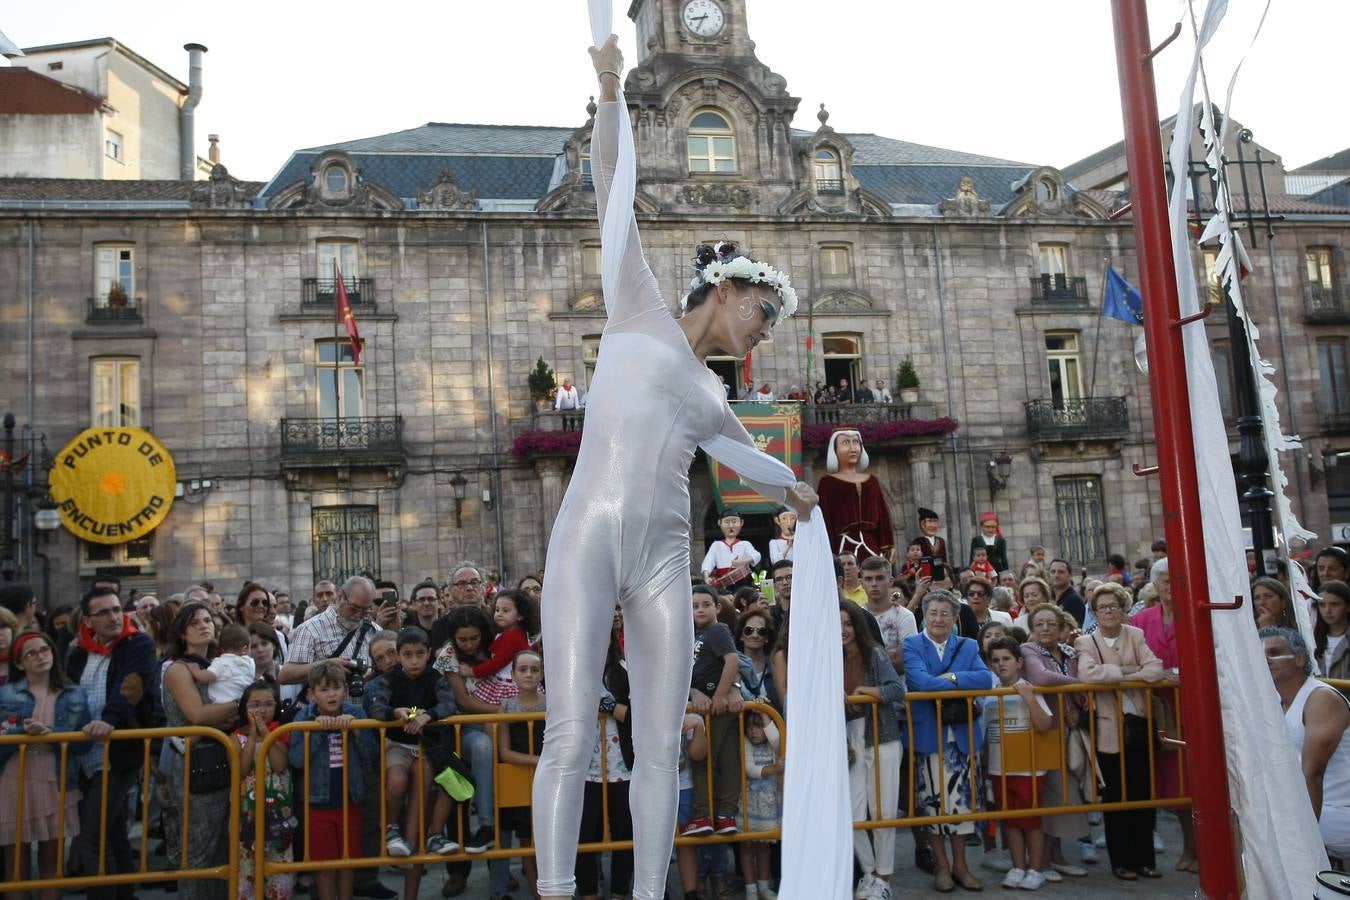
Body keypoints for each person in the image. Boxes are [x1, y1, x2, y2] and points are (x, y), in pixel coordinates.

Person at [533, 33, 817, 900]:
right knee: (572, 735)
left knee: (660, 746)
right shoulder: (637, 308)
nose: (764, 330)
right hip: (587, 539)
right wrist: (611, 86)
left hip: (662, 561)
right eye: (763, 313)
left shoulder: (708, 391)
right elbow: (612, 186)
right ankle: (554, 892)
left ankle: (651, 894)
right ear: (726, 290)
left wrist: (796, 490)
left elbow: (739, 449)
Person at [66, 585, 159, 900]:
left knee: (93, 837)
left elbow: (131, 685)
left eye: (117, 609)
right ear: (88, 620)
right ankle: (124, 895)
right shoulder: (78, 650)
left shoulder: (139, 644)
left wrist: (110, 718)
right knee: (115, 831)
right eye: (104, 612)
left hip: (118, 750)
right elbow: (66, 691)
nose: (114, 617)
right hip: (82, 753)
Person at [903, 590, 996, 893]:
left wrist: (952, 679)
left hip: (964, 736)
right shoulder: (912, 645)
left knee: (964, 807)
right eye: (933, 613)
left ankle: (961, 865)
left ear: (955, 617)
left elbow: (984, 679)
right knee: (933, 805)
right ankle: (941, 866)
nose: (938, 619)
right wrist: (955, 678)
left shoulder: (968, 645)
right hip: (929, 736)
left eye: (945, 614)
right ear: (924, 616)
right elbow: (920, 682)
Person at [1075, 583, 1166, 881]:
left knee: (1142, 793)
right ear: (1095, 613)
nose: (1109, 612)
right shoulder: (1086, 642)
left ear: (1124, 609)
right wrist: (1128, 672)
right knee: (1115, 797)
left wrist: (1115, 675)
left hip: (1138, 725)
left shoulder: (1136, 635)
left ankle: (1145, 860)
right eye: (1102, 607)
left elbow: (1155, 669)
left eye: (1114, 606)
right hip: (1108, 729)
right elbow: (1087, 674)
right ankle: (1121, 861)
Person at [158, 601, 241, 900]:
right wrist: (242, 706)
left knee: (221, 848)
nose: (205, 625)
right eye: (195, 622)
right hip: (194, 763)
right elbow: (197, 715)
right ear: (181, 632)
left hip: (221, 757)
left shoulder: (217, 664)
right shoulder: (177, 669)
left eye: (208, 620)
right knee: (200, 849)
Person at [0, 631, 91, 900]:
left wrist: (48, 733)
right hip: (12, 779)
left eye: (45, 650)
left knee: (52, 866)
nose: (40, 657)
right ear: (19, 663)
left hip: (57, 779)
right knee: (16, 867)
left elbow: (82, 745)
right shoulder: (5, 693)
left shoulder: (74, 693)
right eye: (32, 653)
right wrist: (23, 735)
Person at [366, 626, 459, 859]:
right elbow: (376, 708)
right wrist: (395, 712)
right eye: (407, 655)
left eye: (419, 654)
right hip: (398, 745)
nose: (414, 660)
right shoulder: (389, 680)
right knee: (396, 781)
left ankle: (433, 835)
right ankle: (391, 828)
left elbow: (449, 704)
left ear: (428, 653)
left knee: (448, 783)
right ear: (398, 656)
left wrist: (428, 716)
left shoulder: (435, 678)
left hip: (427, 747)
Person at [1260, 626, 1350, 865]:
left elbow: (1312, 773)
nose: (1266, 660)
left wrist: (1302, 838)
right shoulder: (1276, 701)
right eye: (1260, 654)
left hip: (1336, 812)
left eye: (1274, 652)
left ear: (1300, 659)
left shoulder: (1321, 698)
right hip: (1310, 806)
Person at [289, 660, 377, 900]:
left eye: (336, 688)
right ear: (312, 694)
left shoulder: (356, 714)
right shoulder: (302, 717)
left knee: (347, 863)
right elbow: (296, 760)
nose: (331, 694)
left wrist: (357, 730)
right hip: (317, 804)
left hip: (351, 798)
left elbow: (371, 755)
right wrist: (316, 732)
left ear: (345, 690)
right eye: (324, 689)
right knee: (324, 865)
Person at [1019, 603, 1093, 878]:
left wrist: (1075, 699)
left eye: (1051, 623)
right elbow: (1040, 677)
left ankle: (1056, 854)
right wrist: (1076, 684)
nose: (1045, 629)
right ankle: (1046, 860)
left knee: (1064, 793)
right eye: (1039, 624)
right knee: (1052, 793)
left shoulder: (1068, 652)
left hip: (1068, 730)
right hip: (1043, 730)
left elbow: (1075, 685)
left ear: (1061, 627)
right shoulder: (1028, 650)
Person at [1132, 558, 1196, 871]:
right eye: (1166, 581)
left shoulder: (1197, 614)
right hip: (1157, 712)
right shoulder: (1142, 619)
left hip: (1195, 711)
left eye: (1177, 580)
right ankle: (1184, 848)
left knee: (1196, 784)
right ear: (1155, 586)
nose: (1171, 588)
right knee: (1170, 786)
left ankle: (1199, 849)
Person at [981, 637, 1057, 891]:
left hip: (1028, 767)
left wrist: (1029, 698)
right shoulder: (990, 694)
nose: (1001, 664)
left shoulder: (1029, 688)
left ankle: (1035, 869)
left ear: (1019, 662)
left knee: (1031, 820)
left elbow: (1045, 724)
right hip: (998, 766)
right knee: (1010, 820)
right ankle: (1017, 866)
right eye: (996, 660)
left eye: (1006, 659)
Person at [842, 601, 905, 900]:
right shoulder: (831, 657)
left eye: (848, 623)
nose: (843, 630)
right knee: (852, 813)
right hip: (850, 738)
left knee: (883, 810)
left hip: (882, 735)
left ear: (857, 625)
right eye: (838, 624)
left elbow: (896, 689)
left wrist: (864, 692)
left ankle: (883, 876)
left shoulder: (875, 654)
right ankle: (868, 873)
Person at [683, 586, 745, 837]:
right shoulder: (698, 634)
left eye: (705, 604)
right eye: (695, 605)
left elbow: (732, 661)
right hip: (708, 701)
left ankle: (703, 813)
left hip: (714, 705)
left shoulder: (718, 630)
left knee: (706, 760)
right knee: (728, 759)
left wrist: (721, 694)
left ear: (717, 607)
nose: (700, 609)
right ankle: (725, 814)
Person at [234, 679, 295, 900]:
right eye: (255, 705)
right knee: (246, 863)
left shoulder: (282, 731)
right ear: (245, 707)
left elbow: (279, 765)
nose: (262, 710)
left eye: (269, 704)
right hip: (246, 812)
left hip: (278, 811)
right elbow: (240, 770)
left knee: (279, 860)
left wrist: (265, 733)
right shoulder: (236, 735)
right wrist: (252, 736)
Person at [495, 650, 546, 900]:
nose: (529, 674)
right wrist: (540, 761)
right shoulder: (506, 706)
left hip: (548, 780)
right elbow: (504, 752)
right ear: (513, 674)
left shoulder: (551, 703)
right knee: (526, 839)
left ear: (542, 674)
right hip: (520, 778)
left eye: (535, 669)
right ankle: (537, 892)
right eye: (523, 669)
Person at [816, 430, 895, 563]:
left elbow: (882, 515)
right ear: (835, 449)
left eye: (856, 442)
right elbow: (824, 520)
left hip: (872, 545)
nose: (852, 448)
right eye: (846, 443)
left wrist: (888, 544)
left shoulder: (872, 481)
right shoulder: (827, 483)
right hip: (844, 547)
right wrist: (828, 551)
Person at [738, 711, 782, 900]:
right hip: (749, 803)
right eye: (749, 726)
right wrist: (773, 769)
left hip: (768, 805)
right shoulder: (745, 743)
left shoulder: (773, 746)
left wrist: (766, 716)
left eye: (758, 726)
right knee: (747, 846)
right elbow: (749, 769)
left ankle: (764, 887)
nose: (753, 731)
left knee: (764, 846)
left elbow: (778, 741)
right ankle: (751, 889)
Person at [471, 590, 537, 705]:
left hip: (509, 685)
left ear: (520, 615)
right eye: (497, 610)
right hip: (503, 680)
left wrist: (472, 671)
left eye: (505, 610)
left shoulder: (514, 637)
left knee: (501, 717)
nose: (499, 614)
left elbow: (497, 663)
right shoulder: (509, 633)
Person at [860, 555, 917, 668]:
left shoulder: (905, 616)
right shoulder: (856, 615)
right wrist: (889, 655)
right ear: (862, 583)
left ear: (890, 581)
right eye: (868, 579)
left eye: (880, 578)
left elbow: (903, 662)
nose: (874, 584)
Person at [700, 508, 762, 591]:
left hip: (743, 583)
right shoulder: (716, 545)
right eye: (727, 522)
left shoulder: (745, 544)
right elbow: (708, 562)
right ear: (719, 523)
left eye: (734, 521)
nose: (731, 525)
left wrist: (743, 561)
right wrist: (706, 576)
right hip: (723, 586)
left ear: (741, 522)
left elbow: (756, 555)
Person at [196, 623, 257, 705]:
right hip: (243, 702)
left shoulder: (221, 662)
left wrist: (194, 670)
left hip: (222, 705)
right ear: (245, 649)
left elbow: (207, 677)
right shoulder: (250, 663)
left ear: (222, 649)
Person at [735, 608, 776, 703]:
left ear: (767, 638)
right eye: (749, 630)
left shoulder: (775, 666)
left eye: (761, 631)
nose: (755, 635)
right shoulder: (732, 665)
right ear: (741, 636)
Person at [1316, 580, 1350, 681]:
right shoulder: (1313, 639)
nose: (1327, 610)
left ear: (1348, 606)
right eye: (1322, 604)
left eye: (1334, 604)